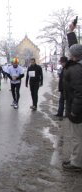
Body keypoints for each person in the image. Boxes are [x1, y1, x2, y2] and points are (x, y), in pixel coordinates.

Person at [62, 20, 82, 172]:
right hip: (76, 107)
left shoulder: (76, 70)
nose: (68, 53)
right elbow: (76, 47)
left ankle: (77, 163)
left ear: (74, 56)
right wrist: (70, 32)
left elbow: (79, 93)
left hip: (78, 111)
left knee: (77, 137)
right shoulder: (77, 62)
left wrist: (74, 111)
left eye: (70, 52)